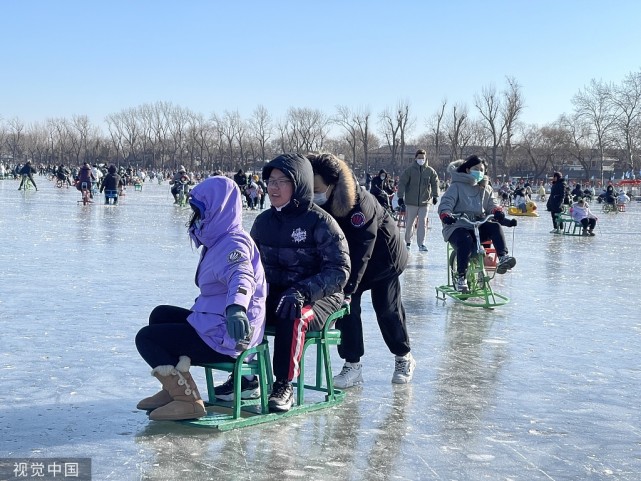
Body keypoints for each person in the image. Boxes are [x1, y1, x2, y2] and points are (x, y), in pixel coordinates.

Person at [135, 176, 267, 421]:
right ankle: (173, 389)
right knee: (160, 314)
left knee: (147, 338)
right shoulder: (219, 239)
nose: (195, 216)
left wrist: (236, 308)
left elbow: (242, 276)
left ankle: (188, 401)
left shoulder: (233, 243)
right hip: (215, 321)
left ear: (217, 210)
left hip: (230, 335)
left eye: (199, 211)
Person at [250, 153, 350, 412]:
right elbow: (250, 265)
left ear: (299, 184)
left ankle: (284, 384)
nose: (273, 187)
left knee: (293, 313)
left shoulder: (321, 222)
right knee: (244, 307)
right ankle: (247, 377)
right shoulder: (263, 222)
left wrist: (303, 291)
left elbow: (339, 270)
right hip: (278, 292)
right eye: (270, 181)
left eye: (281, 181)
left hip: (318, 297)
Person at [308, 153, 414, 388]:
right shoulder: (317, 202)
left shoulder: (358, 204)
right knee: (347, 312)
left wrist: (347, 287)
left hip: (383, 260)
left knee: (386, 309)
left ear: (333, 183)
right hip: (348, 261)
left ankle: (403, 356)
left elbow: (362, 249)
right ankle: (352, 365)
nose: (313, 193)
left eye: (317, 188)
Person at [438, 155, 517, 293]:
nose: (479, 172)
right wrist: (446, 214)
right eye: (476, 169)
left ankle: (503, 257)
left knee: (494, 226)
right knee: (465, 240)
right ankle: (461, 276)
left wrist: (497, 211)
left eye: (482, 170)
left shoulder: (485, 188)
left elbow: (492, 204)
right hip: (457, 225)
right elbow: (446, 203)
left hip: (477, 225)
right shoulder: (456, 186)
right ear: (468, 169)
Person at [395, 149, 439, 252]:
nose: (421, 160)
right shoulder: (409, 171)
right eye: (419, 158)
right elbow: (402, 183)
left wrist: (435, 195)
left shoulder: (430, 171)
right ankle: (408, 242)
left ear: (425, 158)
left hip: (425, 202)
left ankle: (421, 244)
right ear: (415, 158)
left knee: (422, 223)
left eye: (422, 158)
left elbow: (435, 183)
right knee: (410, 222)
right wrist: (400, 197)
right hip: (411, 202)